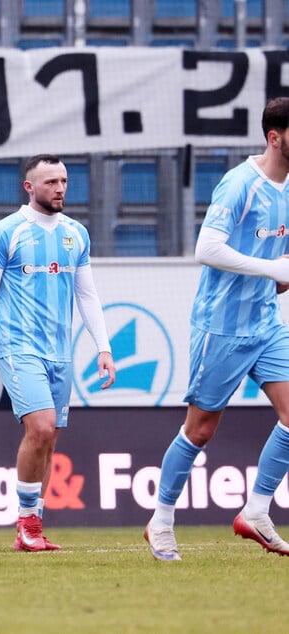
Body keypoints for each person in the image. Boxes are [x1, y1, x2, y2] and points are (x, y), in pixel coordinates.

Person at [145, 97, 289, 561]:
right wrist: (271, 269)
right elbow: (206, 249)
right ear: (274, 137)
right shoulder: (240, 184)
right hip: (222, 328)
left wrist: (280, 274)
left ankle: (257, 511)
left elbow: (277, 262)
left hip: (266, 323)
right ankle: (160, 521)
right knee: (201, 430)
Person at [0, 154, 116, 552]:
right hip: (19, 347)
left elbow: (87, 295)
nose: (60, 188)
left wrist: (103, 347)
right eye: (51, 182)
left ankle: (32, 527)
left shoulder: (76, 234)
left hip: (60, 353)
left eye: (63, 180)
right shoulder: (6, 232)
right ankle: (27, 523)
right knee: (42, 427)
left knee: (49, 441)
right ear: (29, 187)